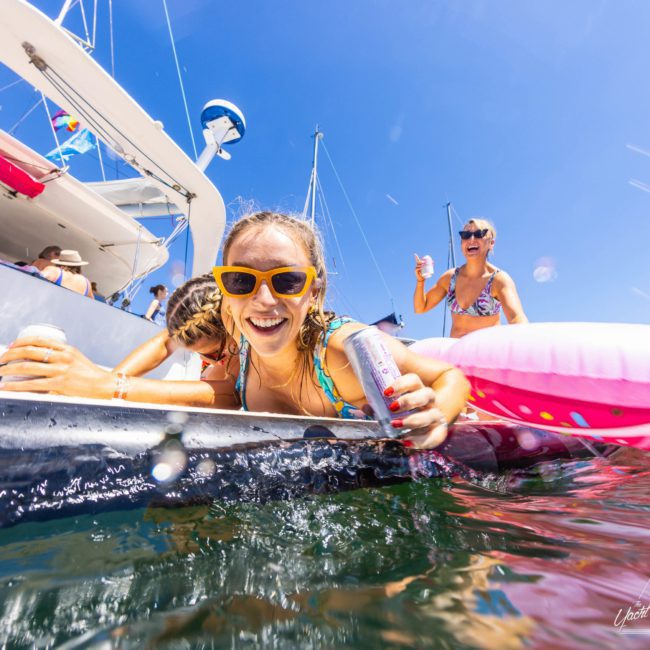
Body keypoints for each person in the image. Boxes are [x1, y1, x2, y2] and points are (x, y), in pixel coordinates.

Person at [0, 212, 469, 449]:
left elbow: (452, 378)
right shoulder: (237, 353)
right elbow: (216, 396)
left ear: (315, 292)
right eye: (242, 281)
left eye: (286, 281)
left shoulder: (344, 353)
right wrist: (104, 385)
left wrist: (439, 417)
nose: (263, 300)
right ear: (224, 291)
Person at [414, 218, 527, 338]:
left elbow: (517, 319)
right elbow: (421, 307)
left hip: (487, 353)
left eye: (479, 234)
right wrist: (421, 281)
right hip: (456, 353)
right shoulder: (450, 278)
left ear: (491, 243)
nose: (471, 239)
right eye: (466, 235)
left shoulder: (498, 280)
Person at [114, 274, 231, 380]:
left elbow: (229, 394)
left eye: (215, 353)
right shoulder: (195, 321)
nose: (202, 359)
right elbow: (165, 343)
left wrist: (119, 387)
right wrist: (114, 379)